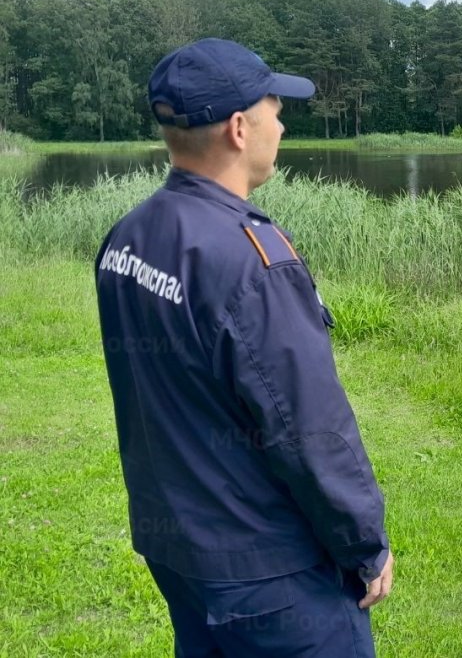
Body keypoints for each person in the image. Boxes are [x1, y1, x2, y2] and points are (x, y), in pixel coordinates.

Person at [95, 38, 392, 657]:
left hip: (181, 550)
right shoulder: (254, 262)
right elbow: (309, 428)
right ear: (238, 128)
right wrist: (365, 545)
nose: (280, 126)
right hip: (268, 571)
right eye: (275, 110)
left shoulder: (128, 238)